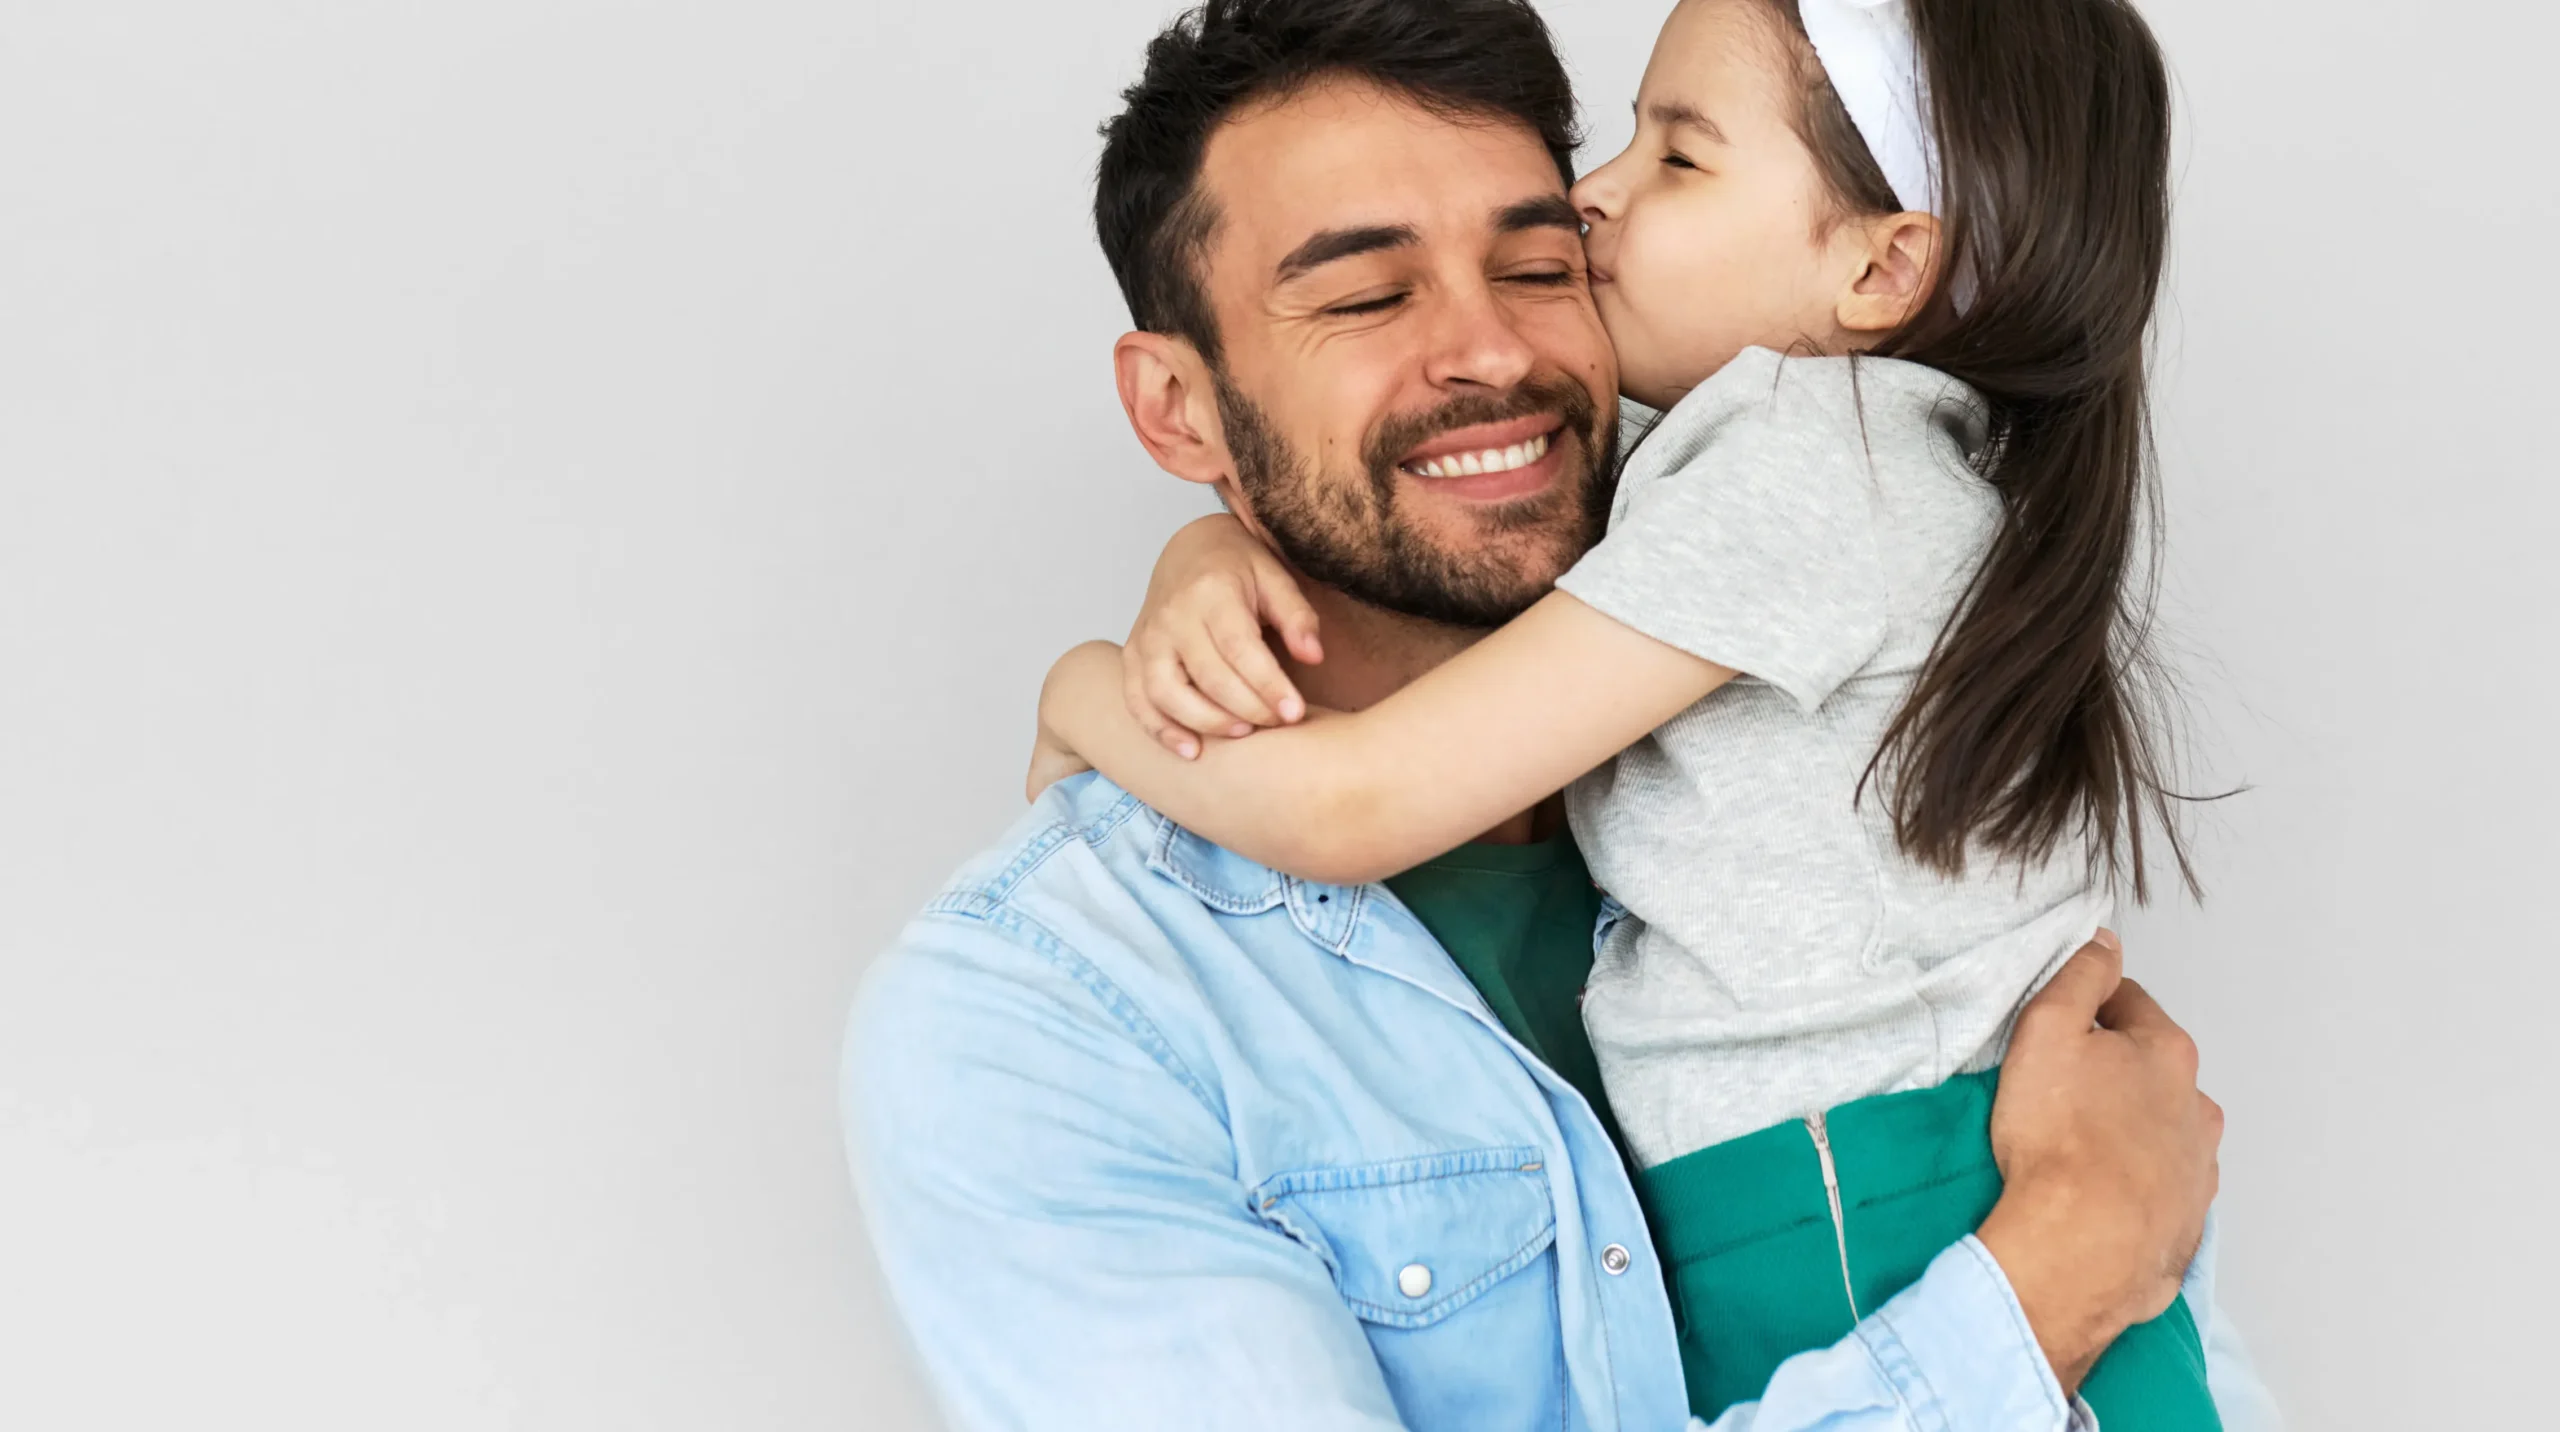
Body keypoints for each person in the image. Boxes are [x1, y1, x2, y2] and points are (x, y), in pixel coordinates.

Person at [846, 2, 2257, 1427]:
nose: (1493, 354)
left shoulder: (1779, 520)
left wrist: (1088, 690)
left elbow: (1352, 794)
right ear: (1177, 409)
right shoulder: (1046, 1016)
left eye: (1539, 268)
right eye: (1367, 298)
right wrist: (2057, 1277)